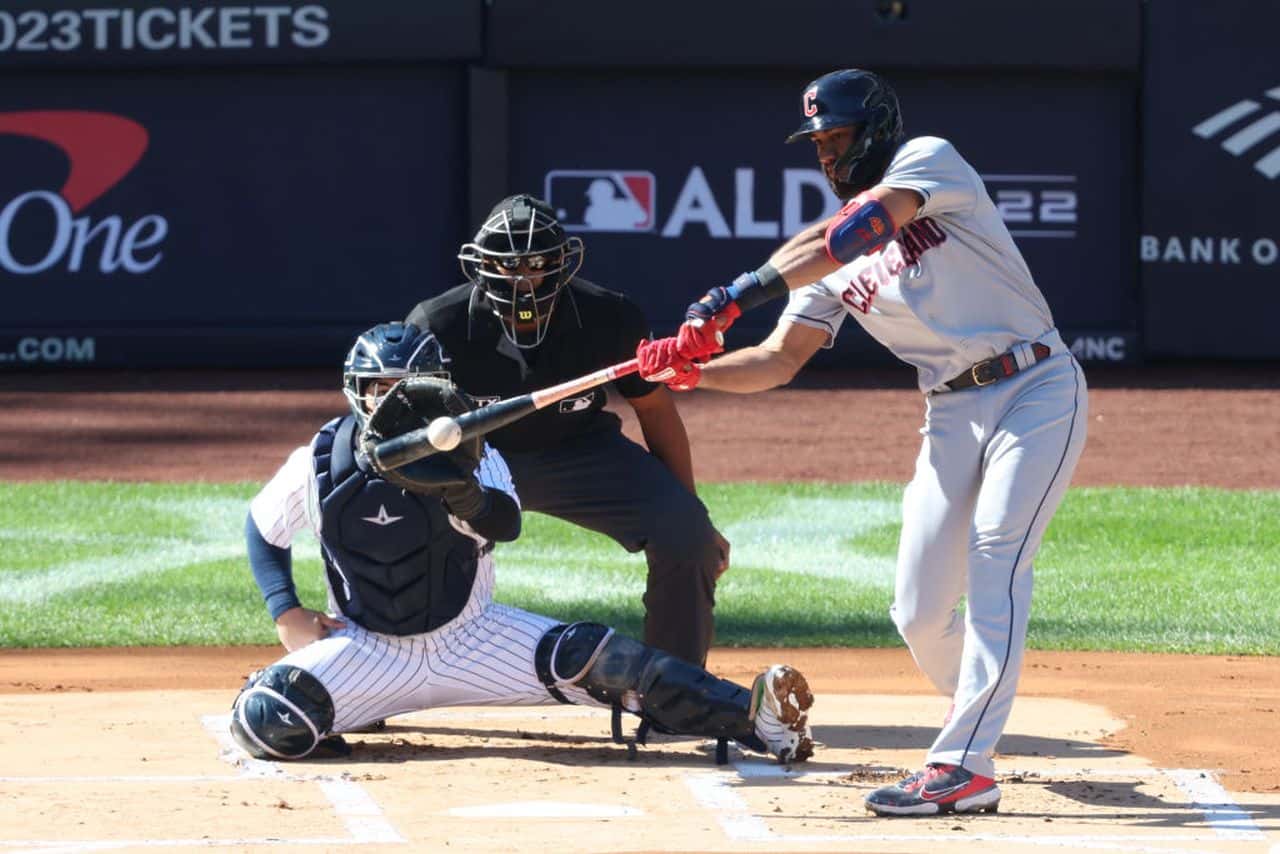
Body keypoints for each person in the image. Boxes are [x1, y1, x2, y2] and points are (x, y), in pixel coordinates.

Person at [636, 68, 1088, 816]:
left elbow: (859, 227)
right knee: (916, 611)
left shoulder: (928, 162)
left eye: (836, 136)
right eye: (818, 141)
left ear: (875, 129)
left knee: (996, 553)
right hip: (950, 412)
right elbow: (779, 361)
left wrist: (730, 297)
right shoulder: (829, 260)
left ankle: (964, 763)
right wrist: (692, 374)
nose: (826, 153)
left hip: (1035, 388)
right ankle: (975, 713)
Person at [229, 321, 814, 765]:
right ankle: (356, 708)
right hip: (368, 647)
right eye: (379, 389)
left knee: (603, 657)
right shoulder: (320, 462)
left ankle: (759, 720)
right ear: (356, 392)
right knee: (264, 721)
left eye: (405, 389)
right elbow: (263, 528)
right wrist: (286, 611)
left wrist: (460, 489)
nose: (392, 403)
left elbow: (505, 522)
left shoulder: (474, 451)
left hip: (475, 638)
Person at [405, 194, 727, 668]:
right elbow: (404, 433)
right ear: (481, 266)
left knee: (688, 536)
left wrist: (694, 512)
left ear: (563, 263)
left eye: (537, 264)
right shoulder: (437, 324)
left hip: (580, 449)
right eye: (508, 266)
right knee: (392, 530)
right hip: (476, 461)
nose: (524, 279)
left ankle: (674, 689)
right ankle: (379, 673)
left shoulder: (609, 316)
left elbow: (656, 411)